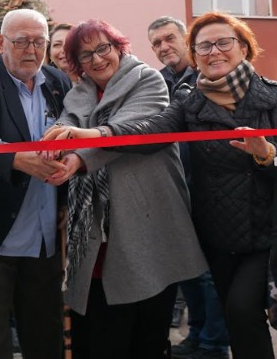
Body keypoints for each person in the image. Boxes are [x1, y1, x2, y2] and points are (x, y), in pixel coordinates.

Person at [45, 12, 277, 359]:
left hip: (261, 229)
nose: (214, 51)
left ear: (244, 47)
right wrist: (71, 145)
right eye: (204, 45)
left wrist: (266, 152)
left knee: (241, 312)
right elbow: (151, 130)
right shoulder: (190, 99)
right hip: (215, 229)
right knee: (234, 319)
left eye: (224, 42)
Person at [41, 19, 207, 358]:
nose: (97, 59)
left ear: (119, 47)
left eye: (103, 48)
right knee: (99, 331)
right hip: (96, 233)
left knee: (146, 333)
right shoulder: (79, 91)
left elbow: (128, 133)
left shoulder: (149, 81)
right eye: (86, 55)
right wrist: (60, 136)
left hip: (148, 223)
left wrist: (77, 158)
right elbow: (71, 119)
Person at [0, 9, 70, 359]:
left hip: (44, 230)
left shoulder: (57, 82)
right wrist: (15, 158)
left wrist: (66, 199)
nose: (31, 51)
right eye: (21, 41)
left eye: (39, 42)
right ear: (0, 43)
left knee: (44, 331)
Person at [149, 16, 229, 359]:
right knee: (188, 270)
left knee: (211, 273)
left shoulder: (211, 73)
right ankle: (197, 335)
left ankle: (214, 343)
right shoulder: (159, 81)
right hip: (176, 190)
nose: (164, 47)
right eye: (156, 43)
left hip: (213, 188)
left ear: (187, 39)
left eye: (169, 38)